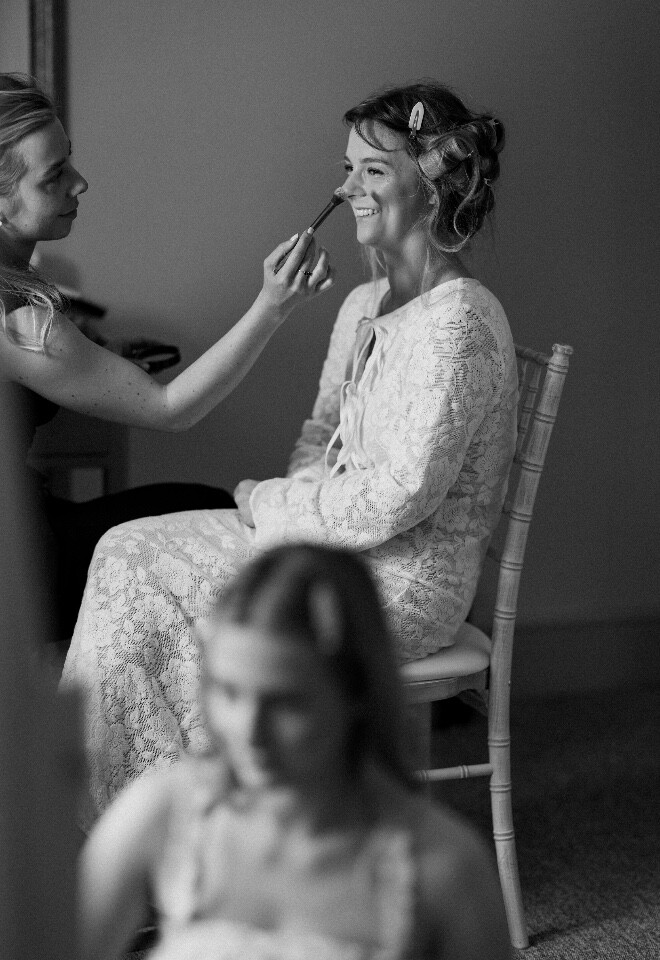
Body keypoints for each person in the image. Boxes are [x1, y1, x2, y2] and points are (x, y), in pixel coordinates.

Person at [61, 80, 518, 818]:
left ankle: (183, 836)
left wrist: (269, 506)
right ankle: (108, 826)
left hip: (402, 584)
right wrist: (285, 508)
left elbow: (398, 495)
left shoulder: (460, 325)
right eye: (348, 168)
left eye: (372, 170)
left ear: (433, 190)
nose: (348, 189)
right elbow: (317, 439)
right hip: (330, 546)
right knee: (123, 549)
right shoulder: (362, 305)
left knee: (161, 588)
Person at [0, 73, 332, 641]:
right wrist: (272, 306)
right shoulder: (17, 318)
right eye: (54, 177)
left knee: (205, 511)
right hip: (20, 570)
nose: (80, 184)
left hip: (23, 536)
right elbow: (171, 408)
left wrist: (97, 357)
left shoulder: (21, 292)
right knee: (217, 519)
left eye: (69, 162)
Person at [77, 544, 513, 960]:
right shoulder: (162, 814)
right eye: (228, 692)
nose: (248, 732)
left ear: (356, 693)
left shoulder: (444, 868)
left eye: (285, 703)